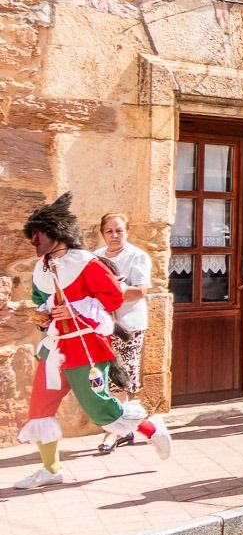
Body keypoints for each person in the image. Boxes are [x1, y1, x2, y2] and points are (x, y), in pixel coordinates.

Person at [15, 194, 171, 489]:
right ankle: (50, 470)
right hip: (55, 348)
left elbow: (112, 297)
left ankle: (152, 428)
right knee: (39, 409)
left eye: (40, 235)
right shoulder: (41, 268)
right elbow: (40, 301)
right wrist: (42, 316)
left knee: (101, 410)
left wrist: (75, 309)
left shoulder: (87, 263)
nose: (35, 242)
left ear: (57, 232)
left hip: (85, 347)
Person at [93, 213, 152, 454]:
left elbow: (140, 291)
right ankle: (126, 427)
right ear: (102, 233)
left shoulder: (137, 256)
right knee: (101, 378)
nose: (115, 235)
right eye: (109, 231)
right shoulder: (94, 258)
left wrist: (113, 290)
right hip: (101, 325)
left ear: (127, 231)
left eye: (119, 230)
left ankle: (113, 432)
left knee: (121, 378)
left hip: (128, 326)